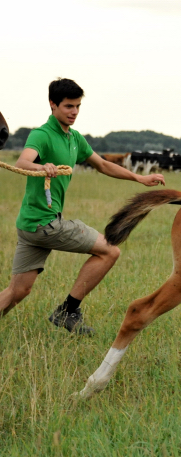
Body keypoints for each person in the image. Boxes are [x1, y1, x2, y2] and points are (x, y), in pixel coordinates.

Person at [0, 78, 165, 335]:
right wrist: (41, 166)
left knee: (17, 291)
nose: (74, 111)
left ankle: (65, 310)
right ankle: (67, 311)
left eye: (77, 106)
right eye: (68, 106)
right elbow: (23, 162)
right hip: (45, 224)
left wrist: (139, 178)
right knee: (110, 252)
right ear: (52, 105)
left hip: (31, 226)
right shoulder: (41, 135)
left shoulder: (75, 138)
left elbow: (103, 165)